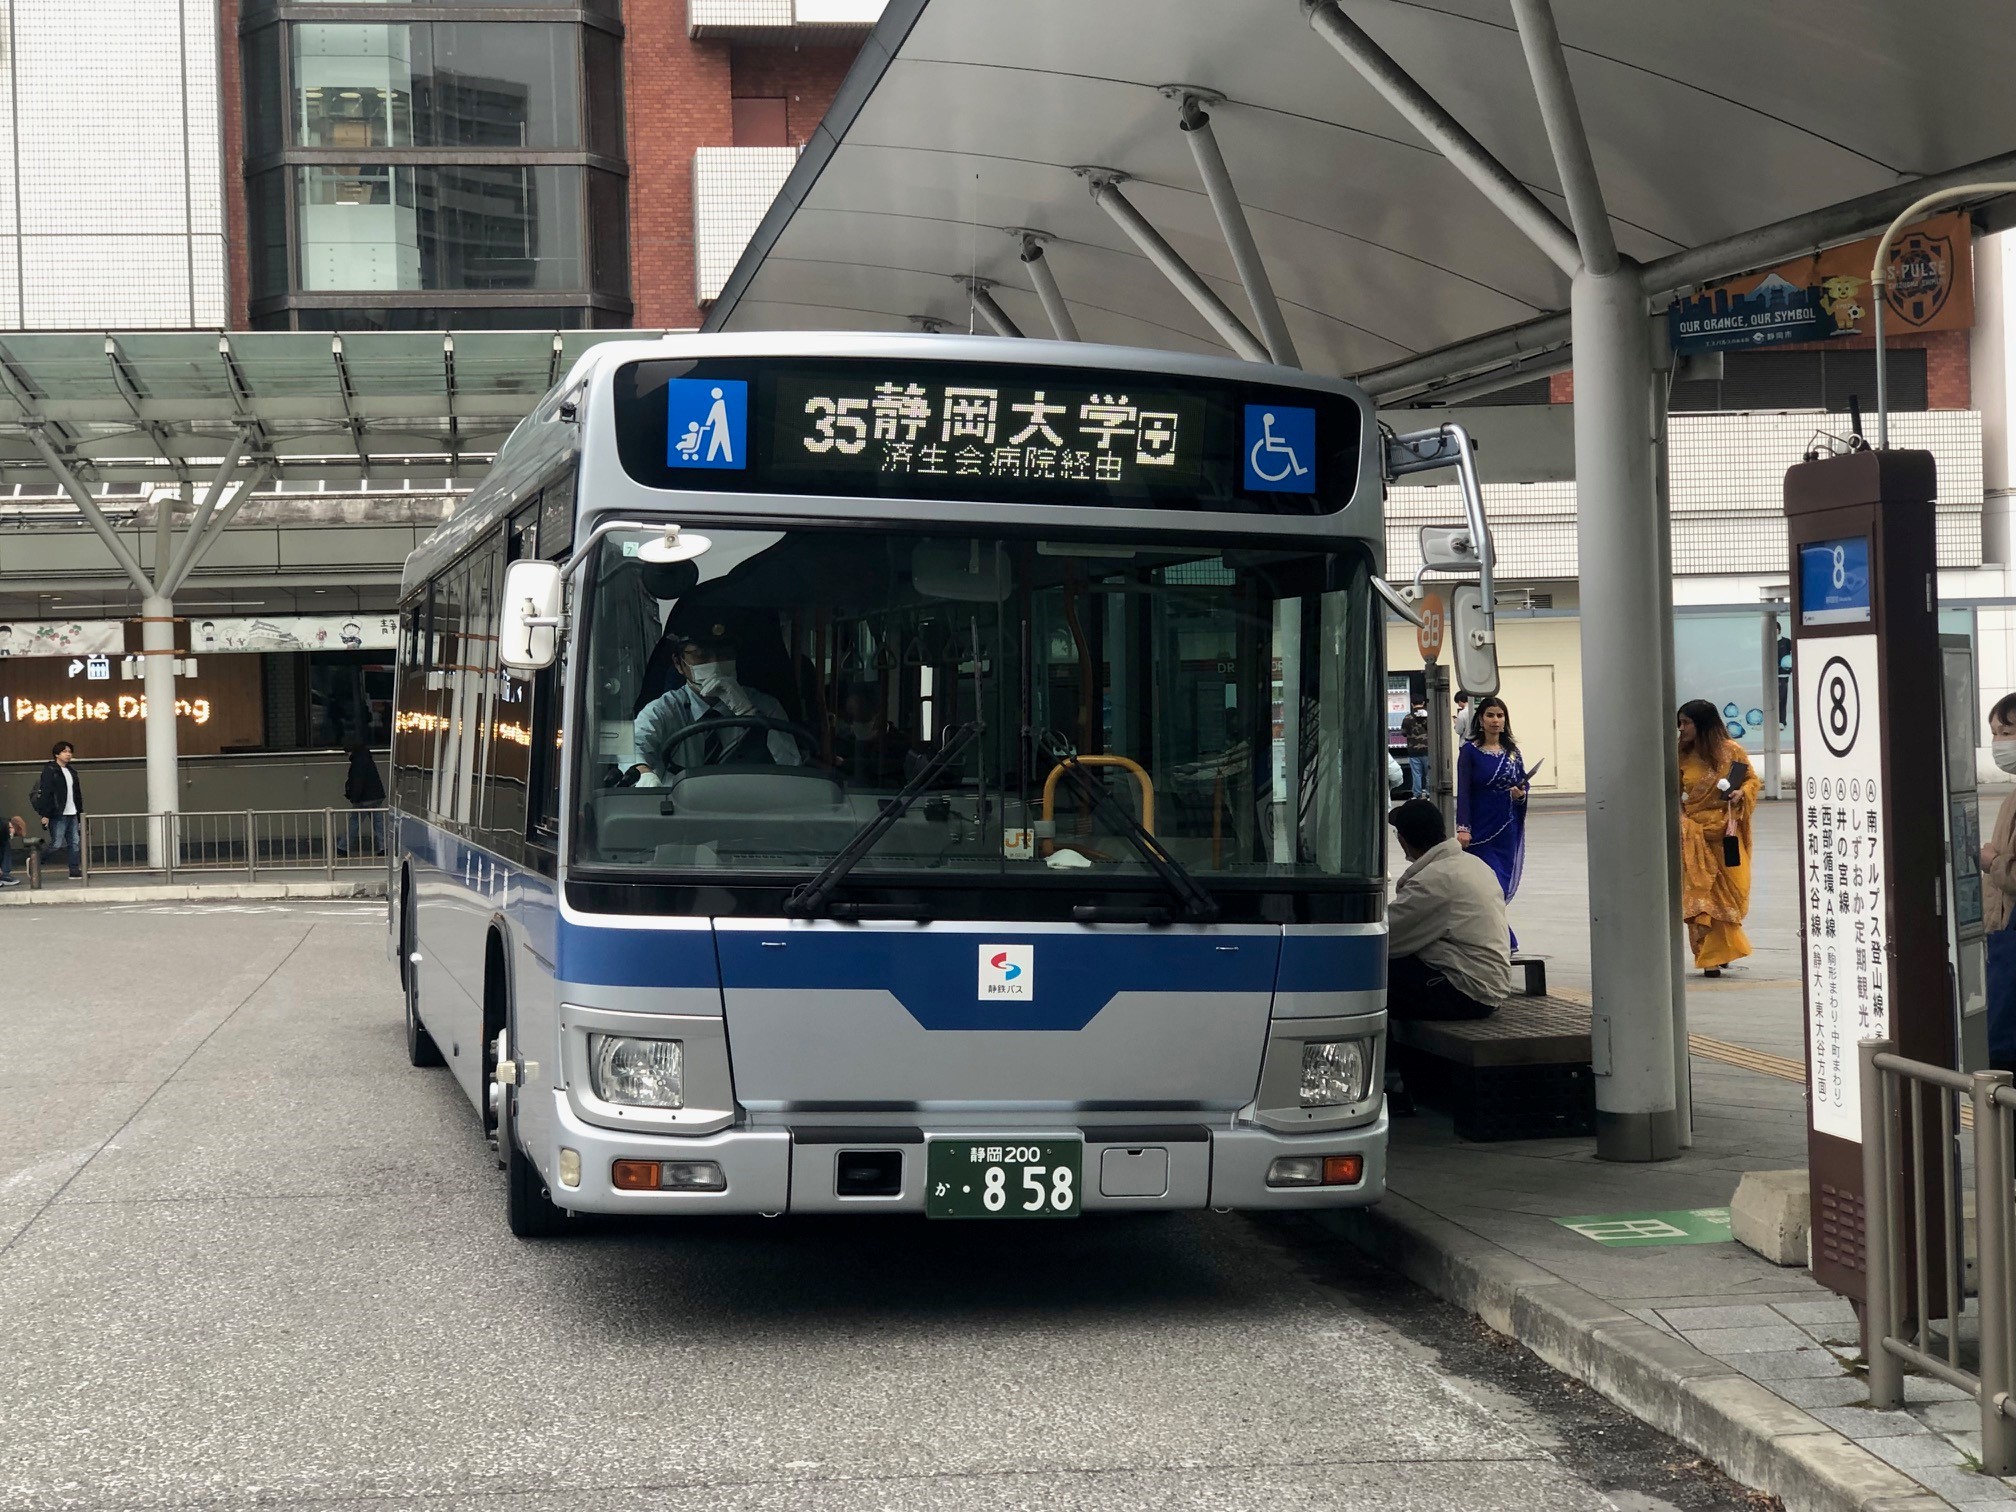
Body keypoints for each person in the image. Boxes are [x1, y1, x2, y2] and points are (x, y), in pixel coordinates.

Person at [631, 618, 805, 782]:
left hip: (751, 807)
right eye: (701, 656)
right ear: (678, 663)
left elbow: (790, 765)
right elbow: (633, 748)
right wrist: (644, 773)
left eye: (724, 654)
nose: (715, 664)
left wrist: (749, 715)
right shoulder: (663, 710)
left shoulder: (767, 707)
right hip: (678, 808)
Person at [1386, 799, 1511, 1020]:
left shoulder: (1433, 881)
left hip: (1465, 990)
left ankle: (1381, 1053)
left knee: (1369, 974)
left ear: (1403, 841)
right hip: (1488, 983)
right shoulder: (1474, 864)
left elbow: (1386, 939)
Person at [1677, 696, 1761, 976]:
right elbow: (1672, 793)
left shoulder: (1731, 750)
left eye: (1686, 722)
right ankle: (1709, 957)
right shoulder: (1680, 755)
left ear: (1702, 724)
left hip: (1726, 832)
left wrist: (1741, 793)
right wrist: (1682, 822)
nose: (1682, 728)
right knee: (1701, 896)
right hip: (1695, 837)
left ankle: (1724, 949)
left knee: (1732, 893)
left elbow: (1750, 780)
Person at [1456, 694, 1528, 947]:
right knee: (1484, 886)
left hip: (1505, 828)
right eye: (1490, 715)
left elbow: (1522, 783)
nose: (1495, 720)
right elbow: (1463, 791)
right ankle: (1502, 937)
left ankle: (1496, 937)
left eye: (1499, 715)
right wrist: (1463, 828)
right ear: (1481, 719)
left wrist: (1520, 795)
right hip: (1479, 829)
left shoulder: (1512, 753)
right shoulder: (1470, 752)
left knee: (1499, 884)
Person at [30, 740, 84, 879]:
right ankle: (36, 860)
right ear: (56, 754)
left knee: (75, 842)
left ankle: (74, 870)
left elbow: (77, 794)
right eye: (64, 752)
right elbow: (47, 793)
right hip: (57, 813)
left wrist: (80, 815)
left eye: (70, 752)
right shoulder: (50, 770)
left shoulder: (72, 771)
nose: (68, 755)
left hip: (72, 812)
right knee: (56, 843)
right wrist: (45, 814)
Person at [339, 745, 386, 857]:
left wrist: (354, 798)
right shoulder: (368, 759)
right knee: (378, 822)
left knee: (354, 822)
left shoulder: (357, 763)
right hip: (376, 796)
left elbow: (357, 782)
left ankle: (343, 847)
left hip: (364, 799)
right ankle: (384, 847)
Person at [1399, 698, 1431, 799]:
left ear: (1412, 704)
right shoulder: (1429, 716)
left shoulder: (1408, 717)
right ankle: (1429, 793)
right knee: (1428, 773)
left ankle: (1417, 794)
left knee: (1416, 774)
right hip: (1428, 749)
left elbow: (1403, 733)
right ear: (1423, 703)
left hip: (1413, 750)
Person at [0, 814, 24, 887]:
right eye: (15, 833)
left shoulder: (4, 829)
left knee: (6, 846)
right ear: (12, 828)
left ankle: (4, 874)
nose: (13, 835)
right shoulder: (2, 828)